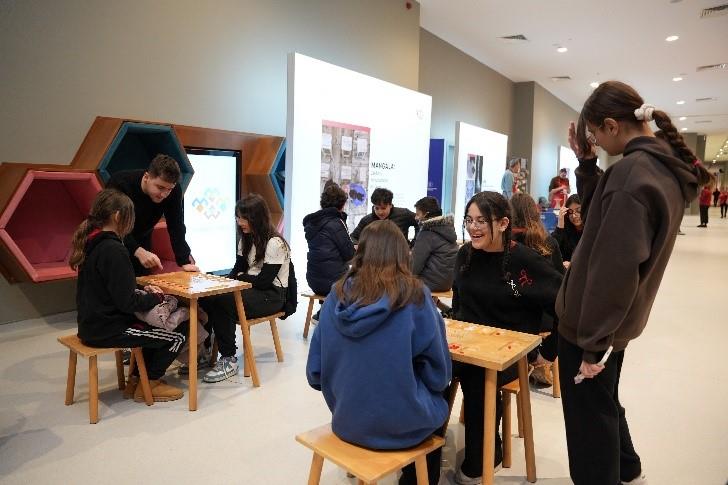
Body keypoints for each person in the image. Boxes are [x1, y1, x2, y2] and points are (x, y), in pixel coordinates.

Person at [561, 81, 711, 485]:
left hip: (591, 330)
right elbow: (601, 216)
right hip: (612, 326)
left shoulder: (631, 175)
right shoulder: (657, 169)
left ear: (612, 125)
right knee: (604, 405)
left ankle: (617, 472)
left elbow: (614, 271)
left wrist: (592, 344)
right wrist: (587, 165)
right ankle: (629, 470)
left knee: (590, 431)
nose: (596, 142)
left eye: (595, 134)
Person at [306, 220, 451, 485]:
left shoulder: (336, 295)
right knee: (441, 397)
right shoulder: (416, 296)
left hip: (347, 422)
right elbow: (439, 375)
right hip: (405, 427)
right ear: (403, 254)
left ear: (360, 252)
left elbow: (315, 373)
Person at [452, 191, 562, 484]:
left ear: (503, 224)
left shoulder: (521, 263)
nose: (473, 227)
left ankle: (486, 457)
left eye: (481, 221)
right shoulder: (465, 255)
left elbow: (564, 304)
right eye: (469, 220)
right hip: (466, 346)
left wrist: (548, 351)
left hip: (508, 354)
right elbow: (459, 303)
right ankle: (423, 460)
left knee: (477, 377)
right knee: (425, 368)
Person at [70, 189, 187, 402]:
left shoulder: (91, 242)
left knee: (154, 329)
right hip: (108, 329)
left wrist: (143, 293)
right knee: (177, 334)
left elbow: (115, 292)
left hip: (90, 325)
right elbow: (128, 303)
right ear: (117, 216)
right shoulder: (114, 249)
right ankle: (150, 383)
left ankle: (136, 380)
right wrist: (157, 298)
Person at [200, 194, 290, 383]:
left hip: (272, 296)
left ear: (256, 218)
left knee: (224, 300)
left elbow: (264, 281)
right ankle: (205, 349)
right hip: (252, 289)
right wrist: (223, 281)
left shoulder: (275, 243)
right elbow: (237, 270)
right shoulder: (246, 239)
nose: (239, 222)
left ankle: (229, 359)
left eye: (243, 218)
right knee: (208, 296)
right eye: (238, 217)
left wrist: (241, 277)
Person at [107, 153, 199, 276]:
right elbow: (112, 225)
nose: (164, 194)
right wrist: (137, 250)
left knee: (142, 283)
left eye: (169, 189)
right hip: (112, 242)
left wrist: (184, 261)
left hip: (142, 240)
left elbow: (176, 225)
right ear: (146, 177)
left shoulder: (174, 191)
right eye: (160, 187)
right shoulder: (120, 183)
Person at [303, 182, 355, 322]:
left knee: (329, 268)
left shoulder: (312, 223)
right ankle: (339, 317)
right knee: (356, 277)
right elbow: (350, 255)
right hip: (332, 283)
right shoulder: (336, 222)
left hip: (313, 280)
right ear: (342, 204)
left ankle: (323, 313)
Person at [411, 196, 458, 292]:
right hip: (448, 283)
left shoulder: (427, 233)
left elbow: (414, 266)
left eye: (418, 214)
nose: (416, 217)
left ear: (426, 214)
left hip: (430, 283)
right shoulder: (447, 228)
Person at [350, 187, 418, 244]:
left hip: (400, 254)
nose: (380, 212)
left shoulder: (404, 214)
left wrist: (414, 244)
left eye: (383, 208)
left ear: (390, 205)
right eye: (377, 208)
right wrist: (359, 247)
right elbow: (353, 237)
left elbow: (421, 223)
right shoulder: (366, 220)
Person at [551, 194, 583, 267]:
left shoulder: (591, 230)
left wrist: (573, 265)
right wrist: (560, 225)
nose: (574, 216)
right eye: (570, 212)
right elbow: (551, 250)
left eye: (578, 211)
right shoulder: (565, 229)